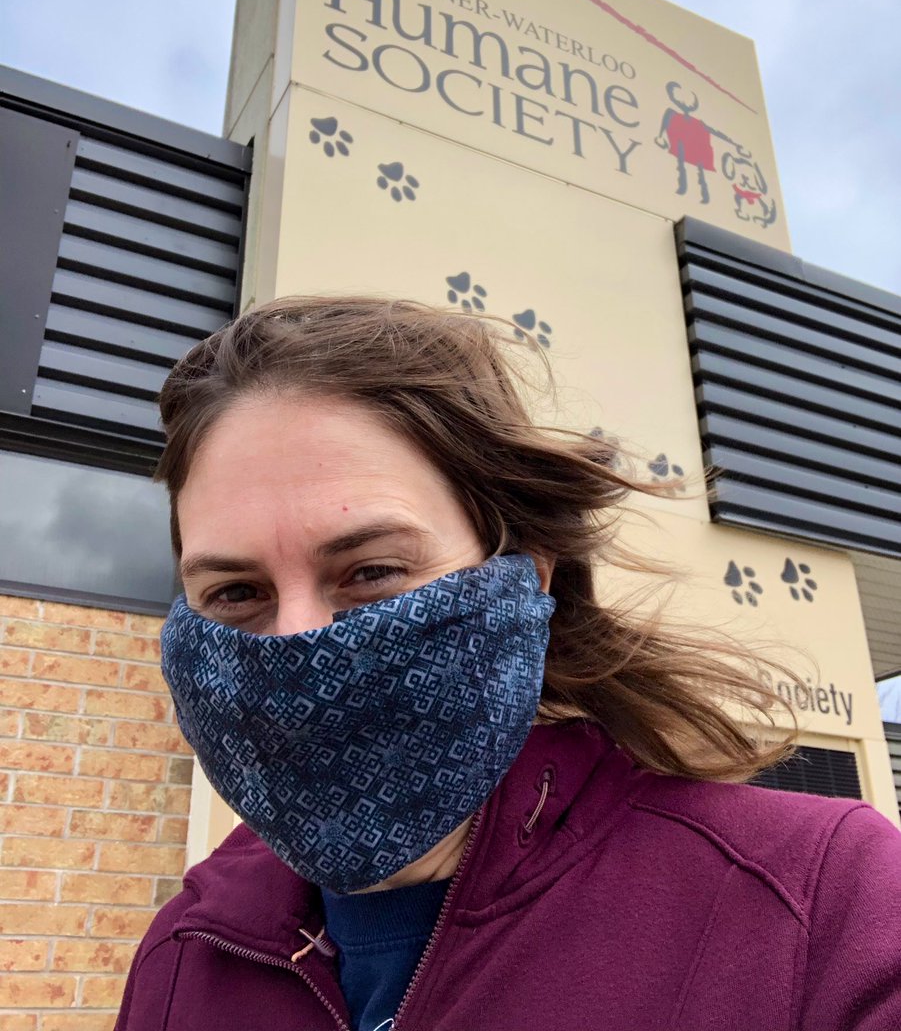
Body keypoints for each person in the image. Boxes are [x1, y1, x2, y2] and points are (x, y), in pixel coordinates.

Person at [116, 296, 901, 1031]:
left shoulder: (827, 899)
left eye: (372, 572)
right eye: (235, 591)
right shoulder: (187, 952)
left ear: (530, 571)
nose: (292, 642)